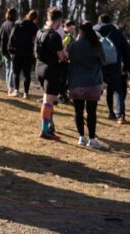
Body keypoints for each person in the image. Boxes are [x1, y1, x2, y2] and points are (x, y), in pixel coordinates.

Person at [67, 22, 108, 149]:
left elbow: (68, 59)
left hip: (76, 82)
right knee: (92, 112)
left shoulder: (73, 45)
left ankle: (81, 137)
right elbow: (104, 61)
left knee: (78, 111)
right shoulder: (97, 45)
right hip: (93, 82)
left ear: (81, 32)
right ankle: (92, 139)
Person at [35, 8, 68, 140]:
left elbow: (36, 52)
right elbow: (61, 57)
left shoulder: (40, 32)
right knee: (48, 102)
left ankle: (50, 125)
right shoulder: (55, 36)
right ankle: (44, 130)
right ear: (59, 21)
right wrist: (65, 53)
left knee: (50, 99)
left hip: (39, 68)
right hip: (51, 70)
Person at [95, 14, 130, 123]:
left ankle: (109, 113)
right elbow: (127, 51)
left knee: (98, 88)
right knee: (117, 90)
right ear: (110, 21)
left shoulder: (95, 32)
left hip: (99, 64)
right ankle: (120, 115)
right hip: (115, 65)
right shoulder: (117, 32)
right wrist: (126, 66)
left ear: (99, 21)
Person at [8, 10, 38, 98]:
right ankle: (26, 93)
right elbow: (35, 41)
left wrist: (11, 51)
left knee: (16, 72)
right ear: (35, 18)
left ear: (27, 15)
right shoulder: (34, 27)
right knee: (27, 74)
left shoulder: (18, 24)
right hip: (28, 53)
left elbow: (12, 38)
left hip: (17, 52)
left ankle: (16, 91)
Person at [0, 8, 18, 95]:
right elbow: (16, 39)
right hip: (12, 50)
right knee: (12, 69)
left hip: (4, 49)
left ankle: (8, 87)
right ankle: (10, 87)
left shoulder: (3, 24)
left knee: (8, 69)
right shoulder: (14, 25)